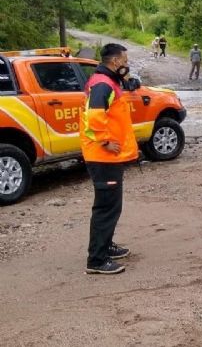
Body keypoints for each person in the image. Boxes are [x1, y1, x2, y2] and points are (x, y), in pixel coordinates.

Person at [79, 43, 139, 274]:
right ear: (115, 62)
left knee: (112, 205)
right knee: (106, 207)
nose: (126, 64)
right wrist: (105, 140)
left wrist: (127, 78)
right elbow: (94, 117)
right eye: (124, 60)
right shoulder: (103, 84)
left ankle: (106, 246)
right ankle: (97, 260)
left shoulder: (108, 81)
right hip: (102, 154)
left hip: (108, 156)